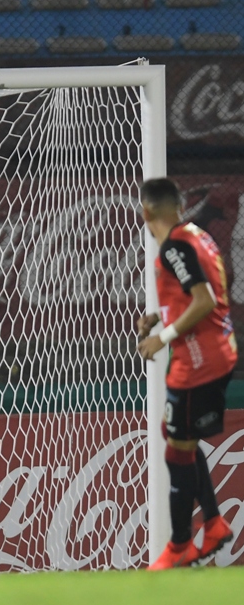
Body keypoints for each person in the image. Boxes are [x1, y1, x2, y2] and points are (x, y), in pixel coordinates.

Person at [136, 177, 237, 570]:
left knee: (176, 450)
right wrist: (157, 318)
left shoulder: (174, 247)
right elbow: (197, 294)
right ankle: (212, 522)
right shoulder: (195, 234)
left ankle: (179, 547)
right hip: (215, 352)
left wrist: (163, 336)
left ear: (146, 212)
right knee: (177, 437)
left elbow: (203, 299)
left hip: (198, 362)